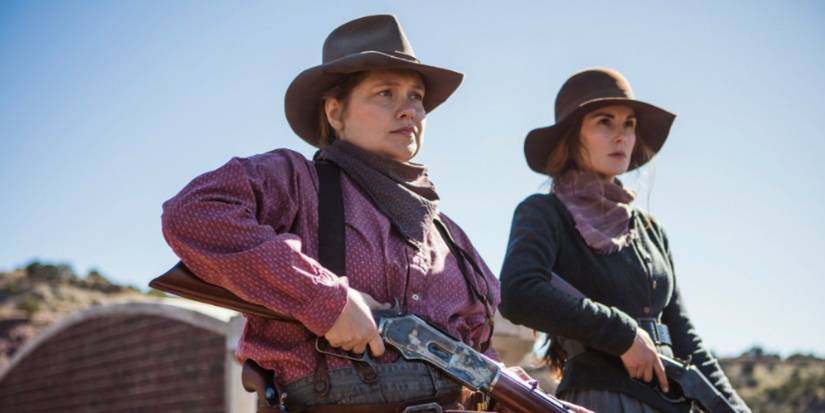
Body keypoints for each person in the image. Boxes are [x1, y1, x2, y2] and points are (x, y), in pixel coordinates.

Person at [161, 14, 574, 413]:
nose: (410, 110)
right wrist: (327, 299)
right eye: (385, 93)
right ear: (335, 112)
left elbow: (479, 358)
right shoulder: (296, 181)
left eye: (416, 96)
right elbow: (192, 213)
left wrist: (542, 403)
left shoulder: (453, 239)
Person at [498, 68, 751, 413]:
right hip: (600, 401)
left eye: (629, 124)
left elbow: (684, 337)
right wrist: (624, 335)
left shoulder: (651, 230)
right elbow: (519, 292)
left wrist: (735, 409)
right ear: (573, 137)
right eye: (605, 122)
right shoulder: (543, 212)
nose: (621, 136)